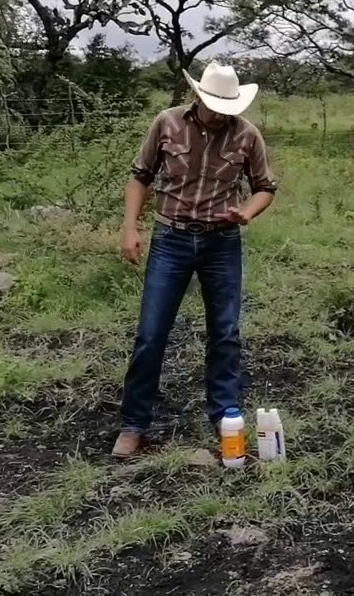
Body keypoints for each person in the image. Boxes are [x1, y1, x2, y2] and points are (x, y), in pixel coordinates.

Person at [112, 61, 279, 458]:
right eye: (215, 103)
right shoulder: (167, 123)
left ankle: (225, 417)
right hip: (171, 238)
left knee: (225, 332)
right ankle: (134, 424)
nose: (221, 112)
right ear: (200, 97)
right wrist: (130, 228)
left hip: (221, 243)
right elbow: (141, 176)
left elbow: (265, 188)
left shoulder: (247, 136)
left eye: (228, 106)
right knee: (151, 333)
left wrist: (247, 212)